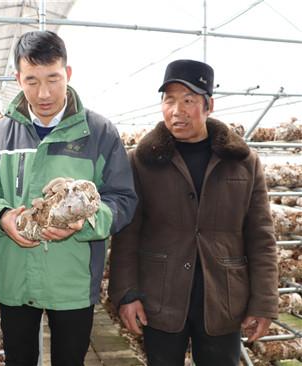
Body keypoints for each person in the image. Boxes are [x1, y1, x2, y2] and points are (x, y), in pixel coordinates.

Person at [0, 30, 137, 366]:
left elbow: (122, 200)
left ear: (68, 74)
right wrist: (2, 217)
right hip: (16, 275)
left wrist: (83, 222)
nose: (43, 93)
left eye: (53, 79)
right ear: (18, 79)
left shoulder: (99, 133)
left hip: (72, 279)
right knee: (19, 359)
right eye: (31, 81)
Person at [108, 59, 278, 366]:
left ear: (208, 105)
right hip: (161, 297)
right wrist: (126, 293)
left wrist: (264, 302)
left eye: (188, 100)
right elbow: (127, 232)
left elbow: (261, 237)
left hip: (223, 299)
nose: (177, 110)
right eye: (169, 100)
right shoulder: (142, 161)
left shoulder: (242, 162)